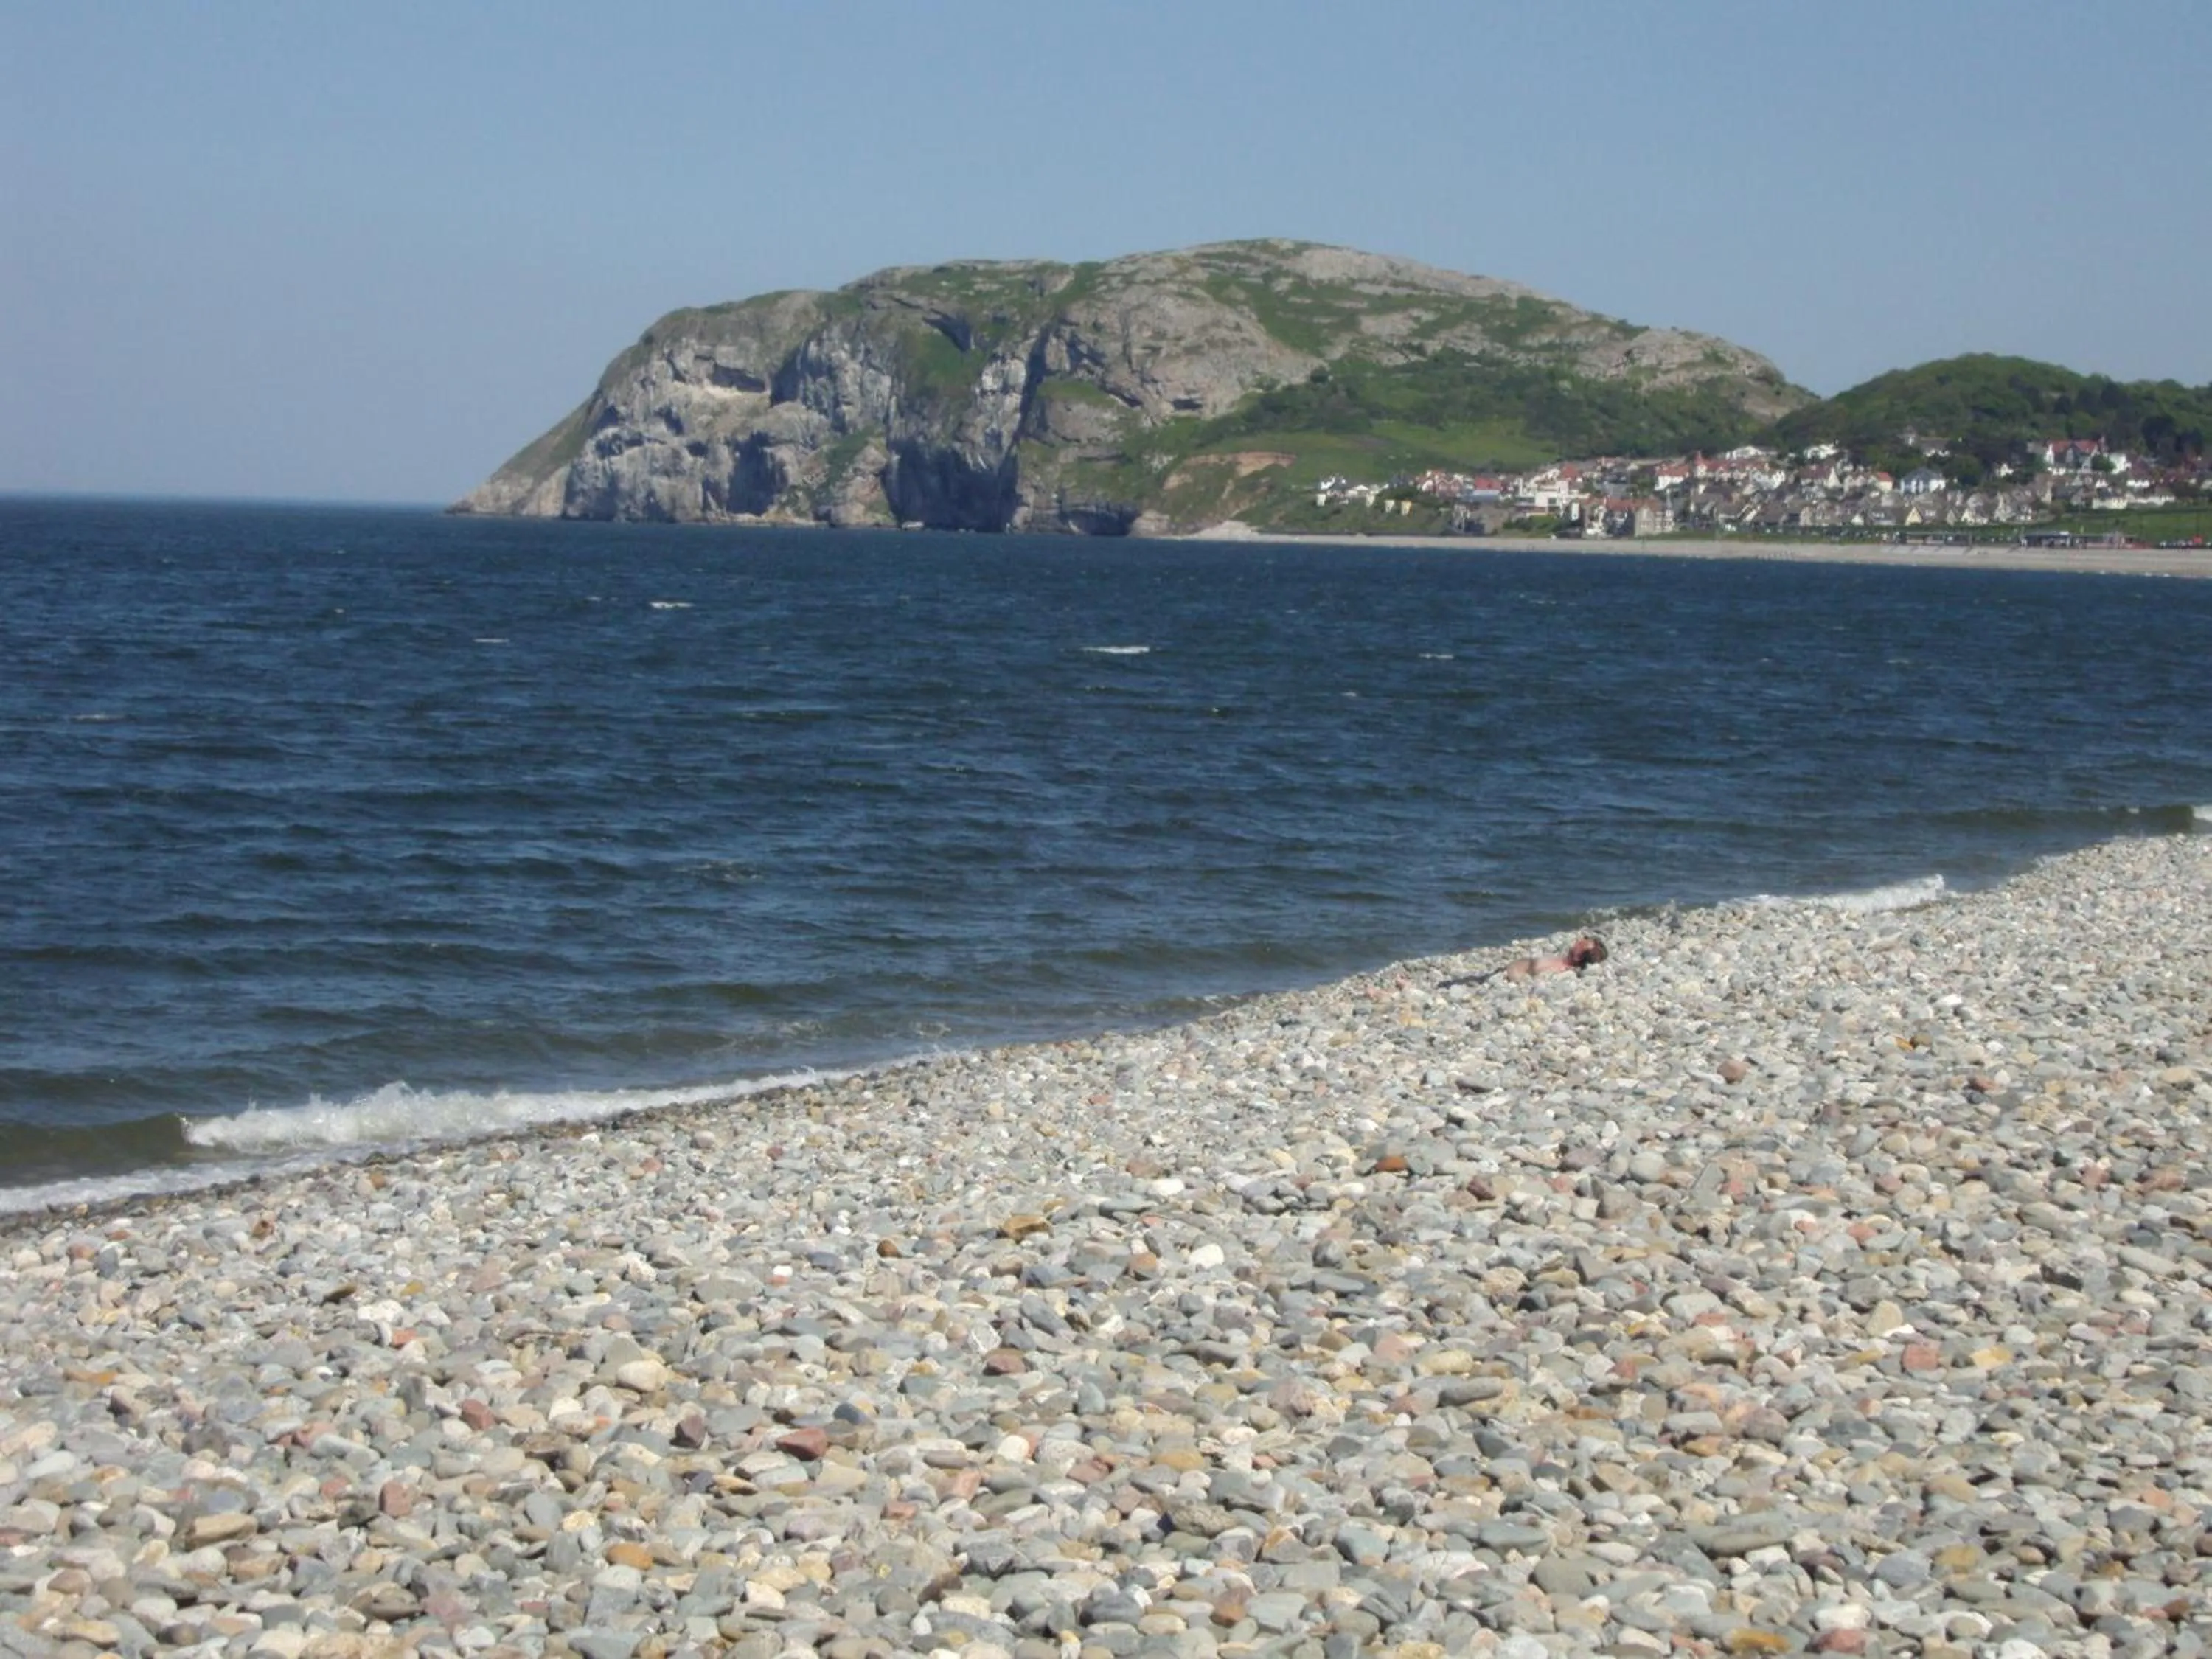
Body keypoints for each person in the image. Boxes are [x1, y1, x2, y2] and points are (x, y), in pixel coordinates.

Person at [1441, 935, 1607, 987]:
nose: (1578, 940)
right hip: (1498, 975)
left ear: (1579, 956)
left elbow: (1533, 982)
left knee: (1449, 986)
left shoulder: (1562, 969)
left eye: (1582, 943)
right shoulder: (1562, 962)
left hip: (1497, 980)